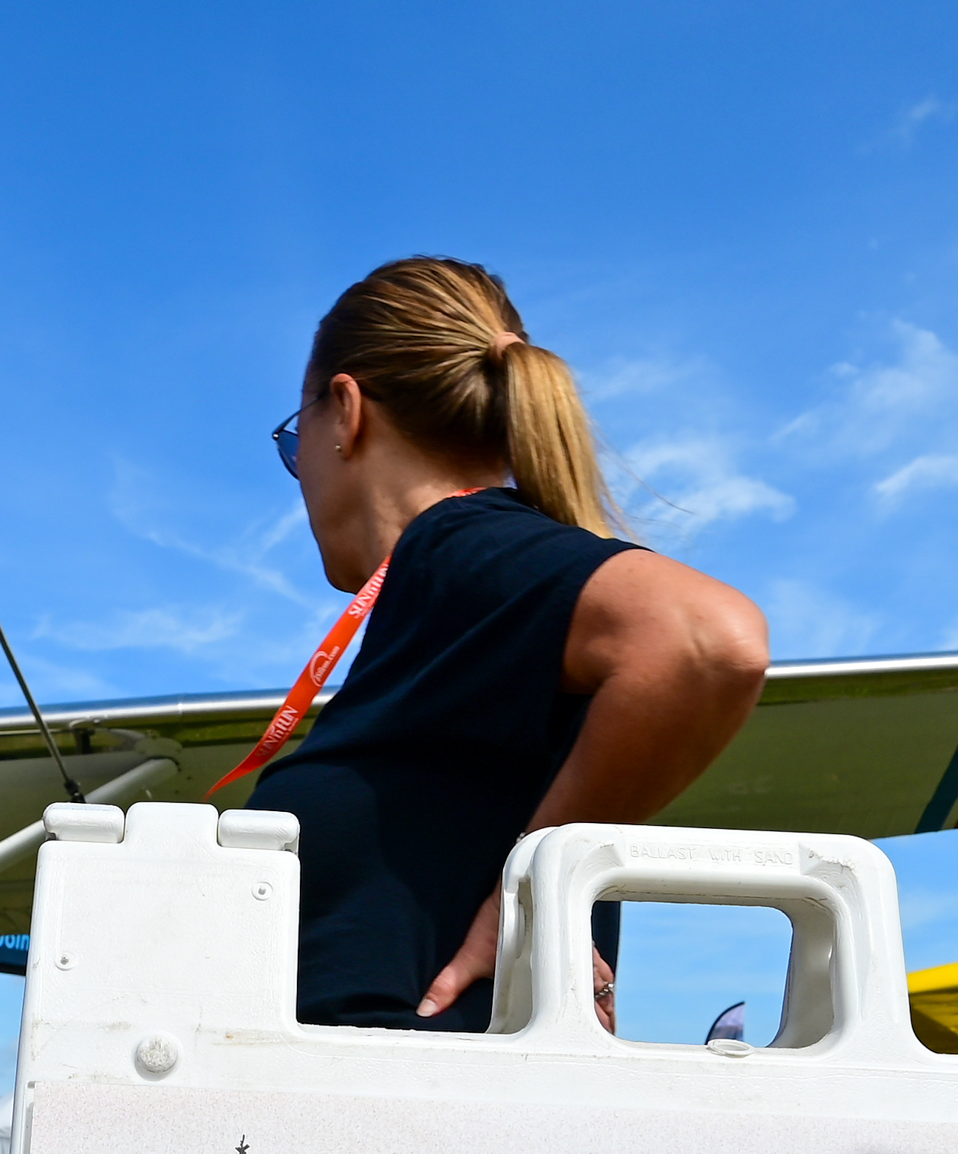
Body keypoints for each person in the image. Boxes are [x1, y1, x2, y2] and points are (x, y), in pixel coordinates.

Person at [240, 257, 772, 1031]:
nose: (301, 474)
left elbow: (707, 639)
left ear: (346, 412)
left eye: (298, 440)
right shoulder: (459, 589)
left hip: (398, 1135)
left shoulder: (457, 547)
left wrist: (529, 892)